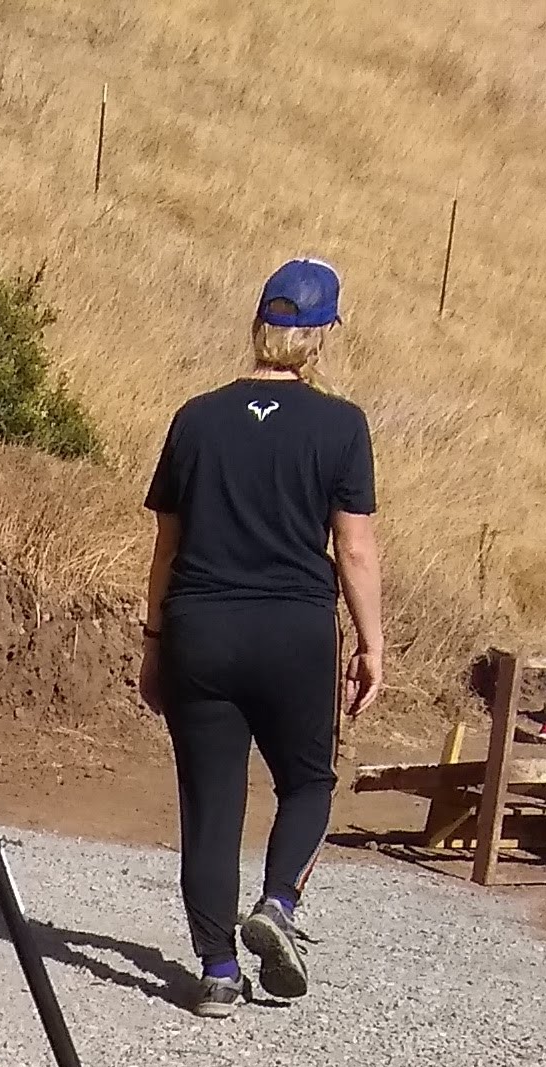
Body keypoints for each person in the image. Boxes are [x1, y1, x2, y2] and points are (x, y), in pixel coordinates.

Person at [139, 256, 383, 1014]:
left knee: (210, 803)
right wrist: (372, 644)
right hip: (293, 630)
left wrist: (153, 640)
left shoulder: (195, 418)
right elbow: (354, 549)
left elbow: (167, 547)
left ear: (259, 324)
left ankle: (217, 970)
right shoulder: (341, 425)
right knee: (308, 782)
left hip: (200, 626)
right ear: (321, 335)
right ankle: (277, 904)